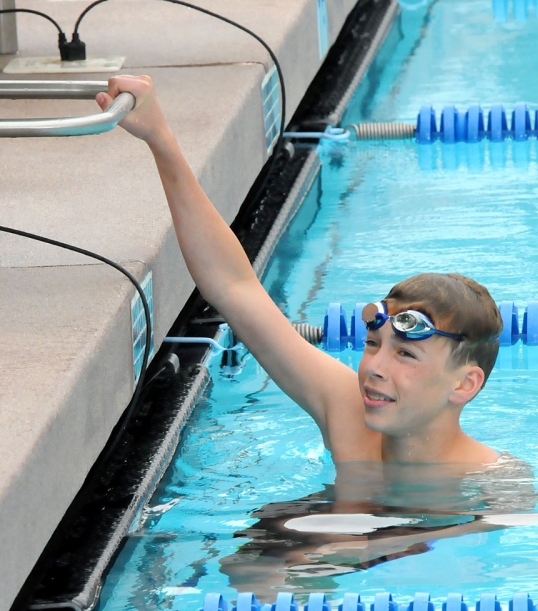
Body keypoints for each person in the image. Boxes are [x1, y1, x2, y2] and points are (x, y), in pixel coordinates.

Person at [96, 75, 504, 466]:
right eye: (373, 344)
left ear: (464, 384)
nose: (375, 368)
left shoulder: (489, 492)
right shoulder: (346, 411)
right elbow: (233, 286)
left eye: (406, 354)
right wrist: (160, 138)